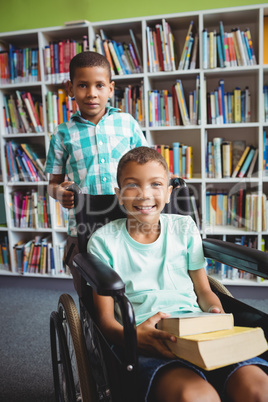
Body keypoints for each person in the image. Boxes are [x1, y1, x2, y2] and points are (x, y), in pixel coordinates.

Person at [87, 146, 268, 402]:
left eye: (155, 184)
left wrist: (216, 314)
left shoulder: (184, 227)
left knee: (259, 390)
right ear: (118, 194)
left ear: (169, 192)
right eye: (132, 185)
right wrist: (135, 338)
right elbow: (105, 320)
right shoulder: (103, 241)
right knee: (198, 397)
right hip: (145, 336)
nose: (144, 194)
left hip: (200, 331)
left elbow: (204, 290)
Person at [45, 51, 148, 295]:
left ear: (111, 89)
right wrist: (59, 193)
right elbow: (52, 183)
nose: (91, 93)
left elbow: (147, 166)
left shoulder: (127, 123)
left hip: (126, 220)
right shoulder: (62, 133)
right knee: (89, 289)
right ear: (70, 88)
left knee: (130, 284)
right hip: (83, 227)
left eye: (99, 85)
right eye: (82, 85)